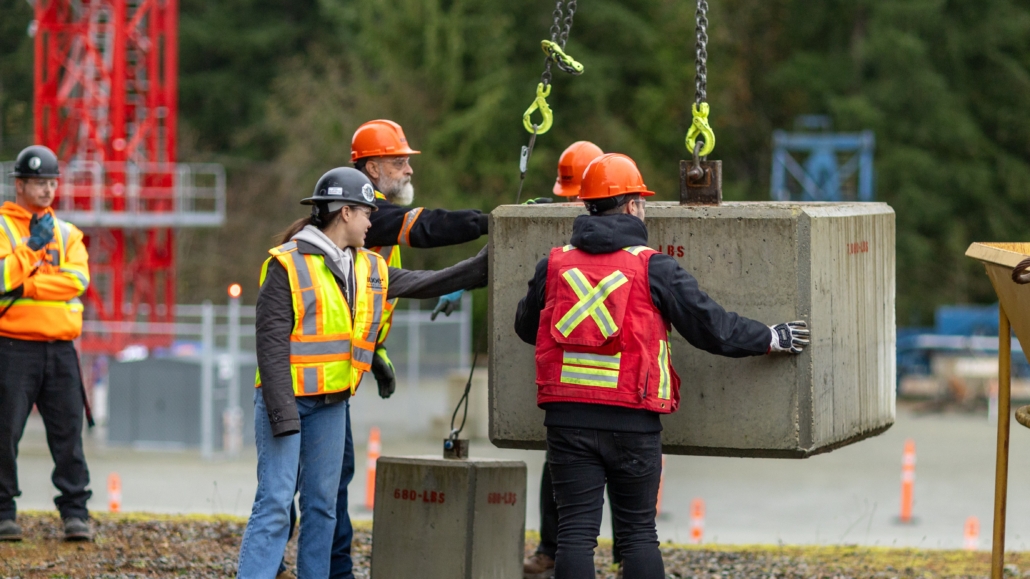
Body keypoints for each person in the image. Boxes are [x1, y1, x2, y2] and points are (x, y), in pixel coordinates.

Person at [514, 153, 810, 579]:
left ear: (586, 206)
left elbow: (527, 328)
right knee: (637, 534)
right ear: (633, 205)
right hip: (634, 420)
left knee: (576, 534)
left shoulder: (555, 264)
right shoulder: (653, 267)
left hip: (567, 420)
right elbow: (713, 328)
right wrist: (771, 337)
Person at [240, 167, 487, 579]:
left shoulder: (368, 267)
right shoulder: (286, 265)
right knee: (276, 503)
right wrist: (284, 418)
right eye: (368, 212)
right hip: (285, 404)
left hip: (331, 407)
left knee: (322, 507)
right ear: (346, 213)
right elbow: (270, 349)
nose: (374, 221)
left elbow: (426, 282)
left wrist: (483, 267)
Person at [524, 140, 609, 579]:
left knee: (614, 472)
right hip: (573, 381)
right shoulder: (557, 240)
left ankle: (624, 553)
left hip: (602, 382)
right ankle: (551, 547)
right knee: (560, 470)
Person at [0, 145, 93, 542]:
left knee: (68, 433)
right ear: (19, 184)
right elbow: (2, 277)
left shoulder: (68, 232)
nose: (46, 190)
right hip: (12, 346)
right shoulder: (3, 228)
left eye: (52, 182)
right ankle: (4, 513)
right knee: (4, 433)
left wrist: (30, 283)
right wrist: (31, 250)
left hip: (60, 347)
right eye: (38, 183)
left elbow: (77, 281)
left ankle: (76, 514)